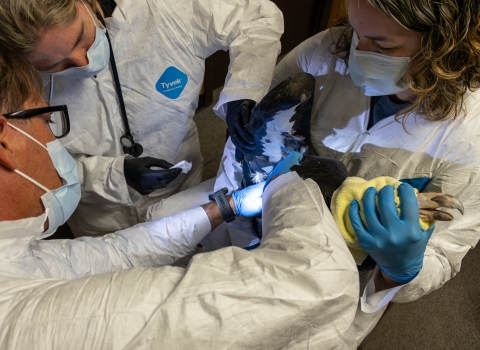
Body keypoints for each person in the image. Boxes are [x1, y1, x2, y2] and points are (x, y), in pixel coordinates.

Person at [0, 56, 359, 349]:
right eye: (47, 122)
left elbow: (113, 255)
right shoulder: (28, 322)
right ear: (4, 142)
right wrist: (288, 182)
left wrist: (227, 207)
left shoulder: (15, 254)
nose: (55, 143)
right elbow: (315, 285)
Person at [213, 0, 480, 346]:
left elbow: (444, 254)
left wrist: (401, 270)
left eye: (382, 45)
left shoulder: (468, 134)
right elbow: (254, 140)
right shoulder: (323, 52)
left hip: (338, 287)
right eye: (356, 32)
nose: (356, 52)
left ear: (442, 44)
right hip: (254, 233)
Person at [0, 0, 284, 237]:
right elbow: (39, 166)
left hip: (181, 183)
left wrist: (243, 92)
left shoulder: (163, 10)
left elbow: (256, 17)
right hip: (100, 216)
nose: (83, 62)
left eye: (80, 38)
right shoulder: (18, 84)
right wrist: (116, 175)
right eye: (55, 65)